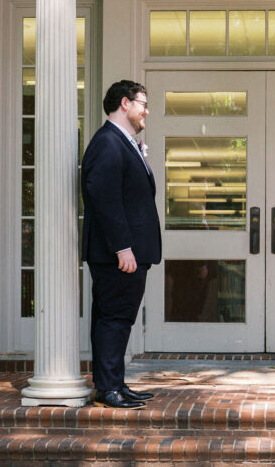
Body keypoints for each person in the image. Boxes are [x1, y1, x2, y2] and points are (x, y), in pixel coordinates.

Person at [81, 80, 161, 409]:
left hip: (125, 251)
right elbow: (105, 199)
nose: (147, 110)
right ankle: (108, 389)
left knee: (118, 319)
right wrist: (122, 247)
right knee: (114, 319)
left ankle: (114, 383)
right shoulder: (108, 143)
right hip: (118, 254)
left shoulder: (123, 142)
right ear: (125, 103)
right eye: (143, 103)